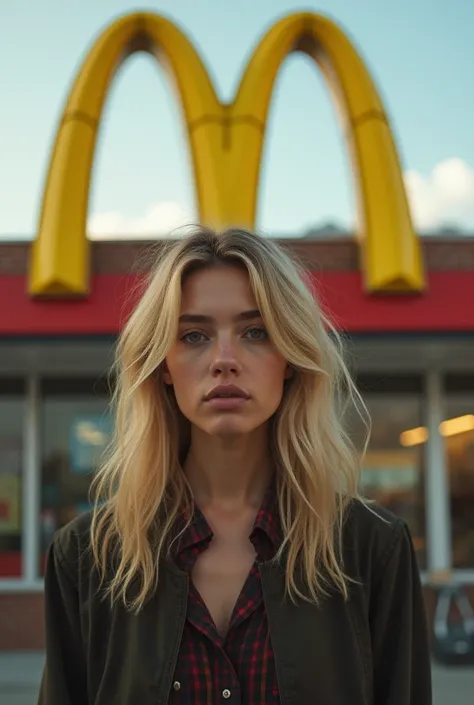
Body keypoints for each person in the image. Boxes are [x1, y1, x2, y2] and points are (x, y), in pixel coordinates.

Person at [38, 226, 432, 705]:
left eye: (256, 332)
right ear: (163, 363)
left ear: (289, 355)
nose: (224, 360)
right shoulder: (87, 557)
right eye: (194, 335)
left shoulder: (373, 548)